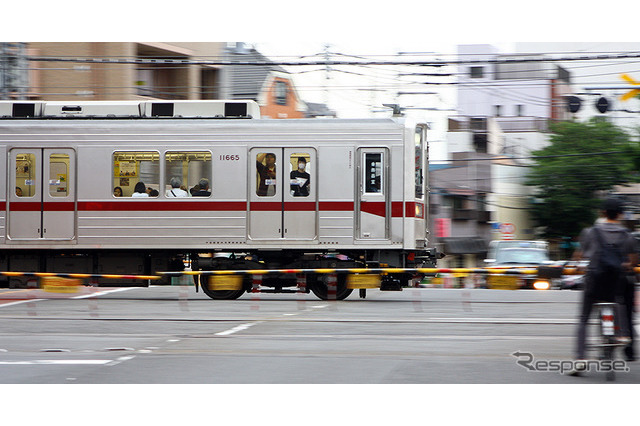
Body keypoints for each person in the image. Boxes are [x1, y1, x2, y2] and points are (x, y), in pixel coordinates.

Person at [568, 197, 638, 375]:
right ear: (621, 214)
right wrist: (626, 266)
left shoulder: (590, 232)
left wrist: (577, 265)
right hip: (614, 284)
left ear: (602, 213)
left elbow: (579, 255)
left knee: (584, 318)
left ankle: (580, 358)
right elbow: (632, 261)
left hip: (594, 281)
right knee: (619, 302)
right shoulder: (627, 235)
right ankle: (621, 334)